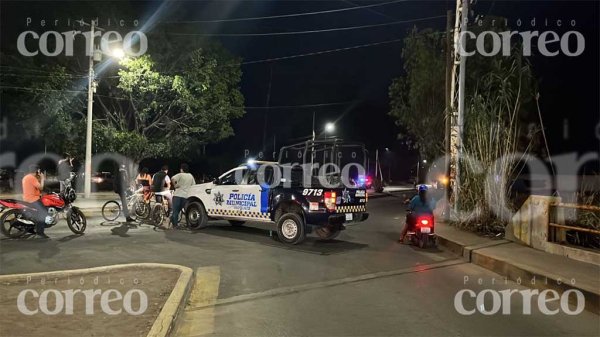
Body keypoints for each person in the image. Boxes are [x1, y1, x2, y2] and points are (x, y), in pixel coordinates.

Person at [22, 165, 49, 238]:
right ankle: (40, 232)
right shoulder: (32, 178)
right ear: (37, 171)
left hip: (26, 198)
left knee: (37, 213)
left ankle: (31, 228)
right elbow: (41, 187)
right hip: (33, 199)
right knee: (43, 212)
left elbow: (33, 187)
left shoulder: (26, 177)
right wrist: (42, 178)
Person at [170, 163, 195, 228]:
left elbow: (172, 178)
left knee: (176, 211)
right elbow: (194, 185)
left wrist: (175, 185)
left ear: (181, 169)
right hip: (186, 196)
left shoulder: (180, 175)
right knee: (187, 211)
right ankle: (189, 224)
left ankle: (175, 225)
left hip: (177, 195)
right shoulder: (190, 176)